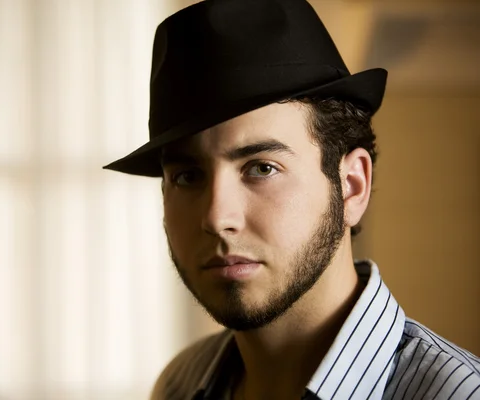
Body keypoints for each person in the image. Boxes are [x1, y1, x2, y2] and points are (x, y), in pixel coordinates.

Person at [103, 0, 480, 398]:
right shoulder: (179, 384)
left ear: (352, 185)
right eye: (187, 176)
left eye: (261, 168)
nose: (216, 217)